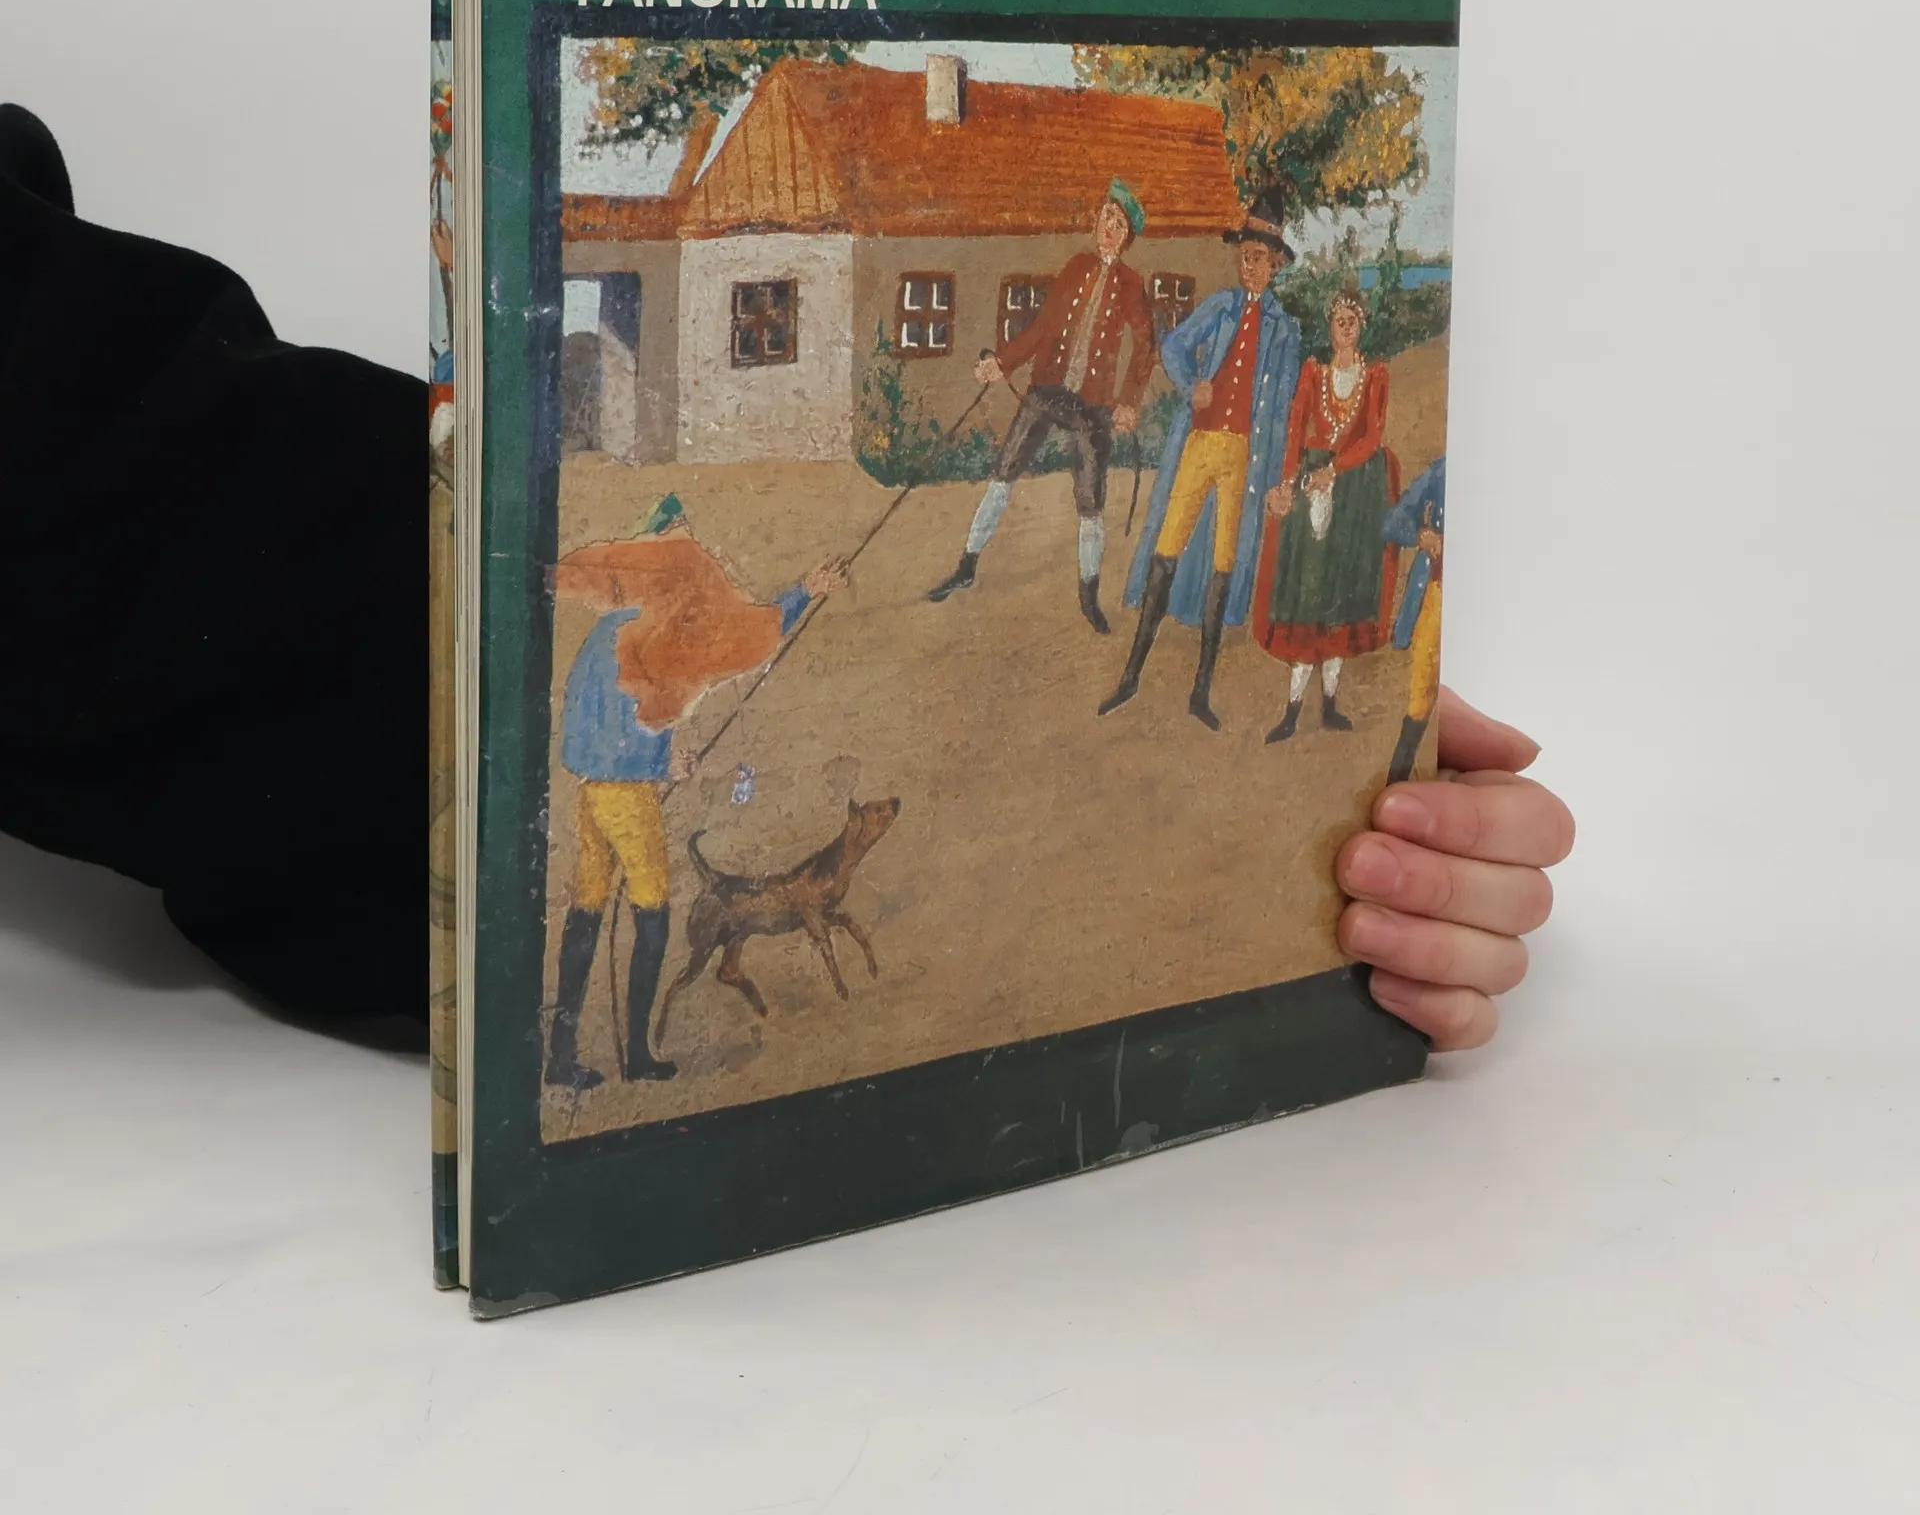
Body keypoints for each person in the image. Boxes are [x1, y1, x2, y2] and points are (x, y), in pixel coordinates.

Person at [0, 104, 1568, 1053]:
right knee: (1032, 497)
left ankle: (1104, 604)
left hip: (1157, 434)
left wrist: (1286, 850)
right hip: (1057, 413)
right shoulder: (1116, 289)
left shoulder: (1225, 318)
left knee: (1104, 498)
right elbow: (131, 502)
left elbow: (125, 478)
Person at [547, 498, 848, 1087]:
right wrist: (805, 592)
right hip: (625, 797)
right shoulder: (649, 631)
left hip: (594, 793)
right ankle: (636, 1055)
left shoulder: (611, 629)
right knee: (652, 914)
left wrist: (663, 761)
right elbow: (736, 640)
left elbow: (600, 729)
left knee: (587, 907)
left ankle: (561, 1056)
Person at [928, 179, 1155, 633]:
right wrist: (1002, 363)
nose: (1109, 227)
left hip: (1093, 405)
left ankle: (1089, 595)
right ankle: (967, 565)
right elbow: (1042, 328)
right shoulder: (1076, 267)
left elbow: (1146, 346)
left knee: (1090, 501)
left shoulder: (1132, 284)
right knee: (1003, 473)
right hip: (1047, 388)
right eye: (1106, 216)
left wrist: (1129, 402)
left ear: (1127, 237)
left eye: (1119, 223)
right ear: (1096, 219)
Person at [1102, 215, 1299, 729]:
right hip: (1199, 444)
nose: (1250, 267)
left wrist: (1280, 477)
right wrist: (1192, 385)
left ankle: (1200, 691)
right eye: (1245, 257)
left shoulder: (1285, 330)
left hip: (1244, 457)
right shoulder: (1221, 306)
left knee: (1224, 563)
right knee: (1166, 550)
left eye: (1260, 259)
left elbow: (1283, 409)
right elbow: (1172, 346)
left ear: (1276, 266)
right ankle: (1131, 676)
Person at [1254, 285, 1400, 741]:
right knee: (1308, 593)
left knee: (1340, 593)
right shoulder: (1313, 373)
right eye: (1340, 320)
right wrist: (1288, 481)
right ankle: (1292, 710)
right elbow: (1295, 430)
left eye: (1353, 321)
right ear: (1329, 326)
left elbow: (1372, 437)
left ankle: (1330, 705)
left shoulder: (1375, 375)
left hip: (1353, 488)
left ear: (1362, 327)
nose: (1346, 327)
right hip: (1311, 482)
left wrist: (1334, 470)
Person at [1381, 456, 1445, 783]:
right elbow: (1393, 521)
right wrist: (1420, 535)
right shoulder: (1442, 471)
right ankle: (1396, 782)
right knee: (1421, 695)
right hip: (1437, 594)